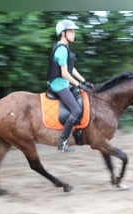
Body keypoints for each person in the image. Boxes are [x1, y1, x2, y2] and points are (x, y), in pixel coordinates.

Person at [46, 19, 89, 152]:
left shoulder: (65, 47)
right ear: (63, 33)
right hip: (58, 84)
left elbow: (71, 68)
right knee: (76, 110)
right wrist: (78, 84)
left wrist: (83, 80)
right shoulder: (62, 50)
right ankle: (62, 142)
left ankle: (78, 132)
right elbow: (64, 73)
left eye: (73, 31)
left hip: (64, 82)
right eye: (71, 31)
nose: (73, 34)